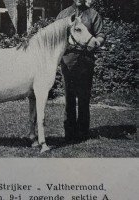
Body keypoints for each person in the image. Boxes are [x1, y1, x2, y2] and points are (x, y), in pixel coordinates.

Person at [56, 0, 105, 141]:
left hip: (86, 60)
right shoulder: (63, 14)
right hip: (68, 59)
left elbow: (101, 34)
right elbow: (57, 36)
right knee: (69, 98)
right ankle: (70, 133)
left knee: (84, 98)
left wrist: (97, 41)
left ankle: (83, 133)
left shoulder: (93, 14)